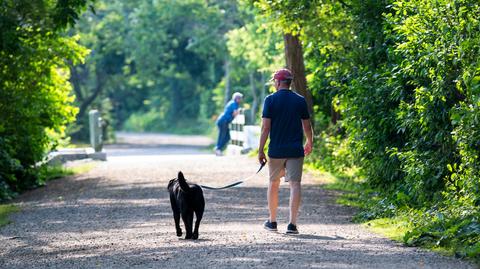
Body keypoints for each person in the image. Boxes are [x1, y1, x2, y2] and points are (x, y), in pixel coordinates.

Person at [258, 68, 313, 234]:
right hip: (295, 149)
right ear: (289, 82)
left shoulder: (270, 100)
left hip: (276, 150)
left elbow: (265, 128)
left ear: (278, 82)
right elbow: (307, 125)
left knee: (274, 183)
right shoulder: (300, 100)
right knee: (295, 184)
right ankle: (292, 224)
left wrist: (260, 150)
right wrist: (310, 142)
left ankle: (272, 221)